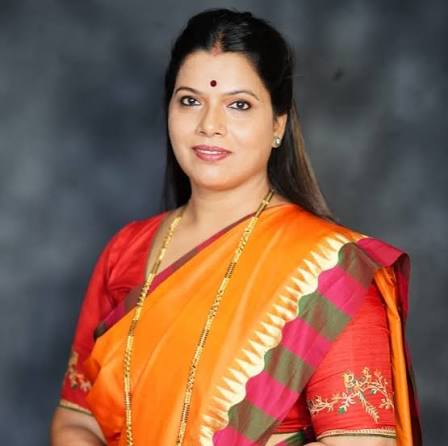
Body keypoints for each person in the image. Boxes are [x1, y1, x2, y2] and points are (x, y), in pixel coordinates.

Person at [50, 8, 421, 446]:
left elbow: (360, 442)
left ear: (278, 124)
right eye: (190, 101)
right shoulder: (126, 251)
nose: (209, 125)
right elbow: (77, 419)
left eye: (239, 105)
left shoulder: (330, 273)